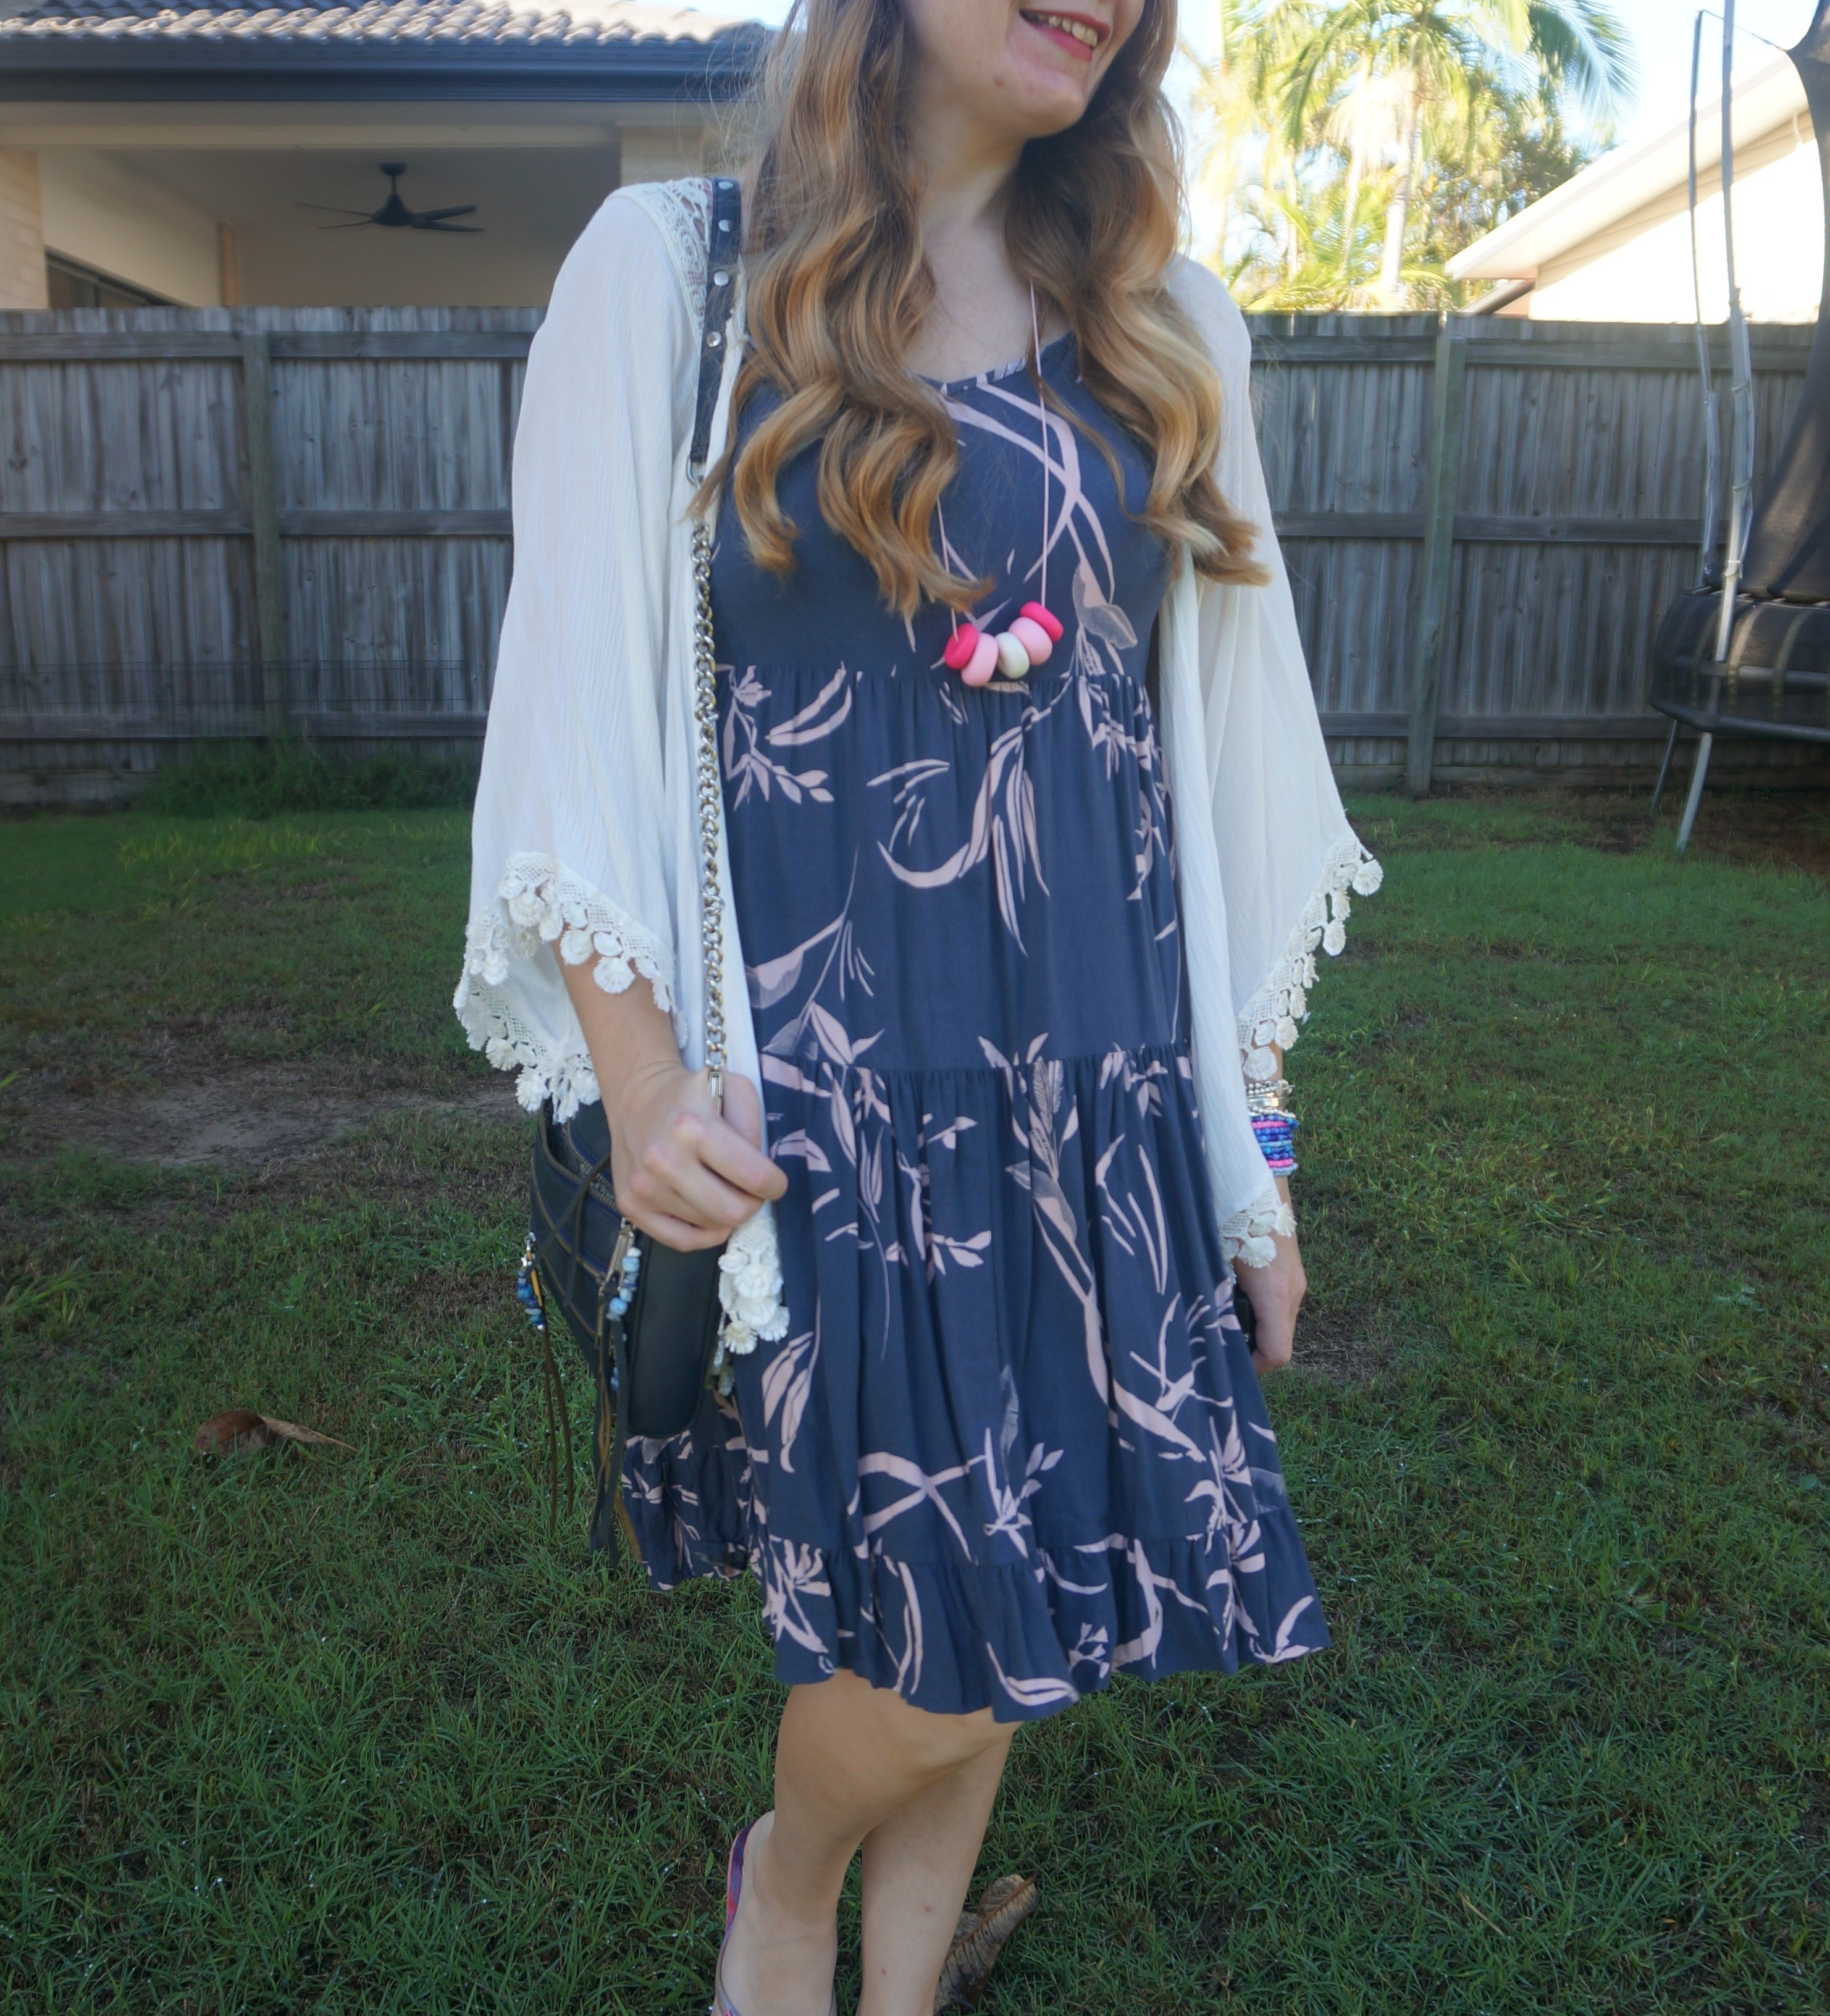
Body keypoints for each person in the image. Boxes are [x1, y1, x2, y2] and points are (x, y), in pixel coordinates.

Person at [456, 1, 1382, 2009]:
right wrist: (635, 1088)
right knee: (921, 1624)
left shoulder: (1164, 325)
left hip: (1106, 1107)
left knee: (1031, 1596)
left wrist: (1261, 1156)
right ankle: (788, 1881)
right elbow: (575, 706)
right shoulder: (677, 283)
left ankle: (898, 1977)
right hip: (836, 1116)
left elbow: (1216, 778)